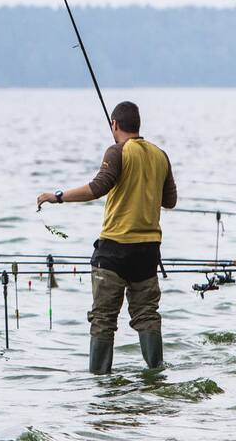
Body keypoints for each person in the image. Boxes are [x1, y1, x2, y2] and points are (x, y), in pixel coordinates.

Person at [36, 101, 177, 374]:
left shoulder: (117, 151)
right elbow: (170, 201)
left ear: (115, 125)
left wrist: (58, 197)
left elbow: (98, 187)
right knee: (147, 316)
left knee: (103, 320)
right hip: (148, 252)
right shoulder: (161, 155)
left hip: (114, 250)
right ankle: (156, 374)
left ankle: (100, 386)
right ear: (137, 125)